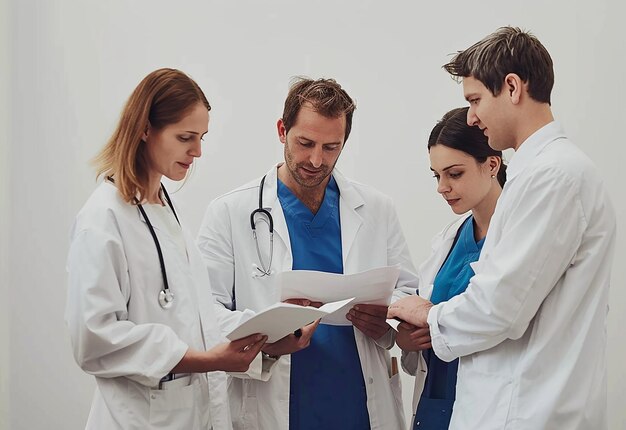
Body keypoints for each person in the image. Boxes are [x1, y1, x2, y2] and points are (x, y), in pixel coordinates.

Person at [388, 27, 616, 429]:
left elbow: (499, 308)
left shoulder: (554, 176)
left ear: (512, 87)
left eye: (475, 100)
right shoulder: (537, 176)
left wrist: (429, 314)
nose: (472, 118)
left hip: (532, 413)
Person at [196, 77, 418, 429]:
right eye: (305, 143)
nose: (316, 160)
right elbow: (204, 315)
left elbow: (407, 292)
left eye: (331, 147)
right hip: (273, 405)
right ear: (282, 130)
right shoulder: (230, 212)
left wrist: (388, 319)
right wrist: (269, 331)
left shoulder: (377, 209)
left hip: (358, 408)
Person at [65, 68, 267, 430]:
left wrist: (266, 337)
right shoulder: (103, 217)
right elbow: (93, 339)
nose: (198, 151)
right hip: (139, 418)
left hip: (188, 414)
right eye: (186, 137)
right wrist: (207, 361)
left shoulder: (165, 210)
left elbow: (197, 316)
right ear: (145, 129)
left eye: (202, 137)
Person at [396, 107, 506, 429]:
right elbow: (426, 319)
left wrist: (429, 313)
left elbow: (497, 318)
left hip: (488, 408)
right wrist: (407, 338)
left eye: (453, 174)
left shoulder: (517, 240)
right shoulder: (450, 239)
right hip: (436, 406)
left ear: (491, 165)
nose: (441, 187)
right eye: (436, 175)